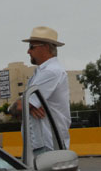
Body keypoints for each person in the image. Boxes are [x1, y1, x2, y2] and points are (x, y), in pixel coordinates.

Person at [10, 26, 71, 155]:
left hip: (47, 145)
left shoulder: (50, 72)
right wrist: (29, 106)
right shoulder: (41, 72)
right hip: (42, 143)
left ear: (46, 48)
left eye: (32, 47)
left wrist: (25, 105)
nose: (28, 51)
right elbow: (21, 106)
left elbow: (19, 107)